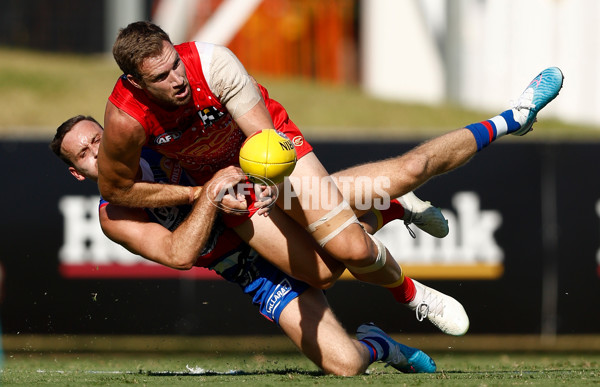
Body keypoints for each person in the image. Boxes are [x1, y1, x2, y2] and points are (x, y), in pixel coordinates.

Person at [97, 21, 562, 336]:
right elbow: (116, 190)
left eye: (176, 62)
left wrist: (254, 183)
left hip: (273, 150)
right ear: (136, 83)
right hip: (227, 188)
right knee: (324, 271)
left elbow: (262, 140)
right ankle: (387, 210)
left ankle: (512, 118)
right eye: (161, 76)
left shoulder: (213, 63)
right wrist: (205, 192)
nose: (177, 79)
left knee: (401, 183)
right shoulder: (125, 122)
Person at [50, 115, 438, 375]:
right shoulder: (112, 217)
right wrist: (207, 195)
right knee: (345, 365)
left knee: (335, 259)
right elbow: (179, 254)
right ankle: (379, 344)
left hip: (263, 211)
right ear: (76, 172)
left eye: (98, 140)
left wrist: (256, 180)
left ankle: (388, 209)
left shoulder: (159, 144)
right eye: (84, 154)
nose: (97, 154)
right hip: (251, 270)